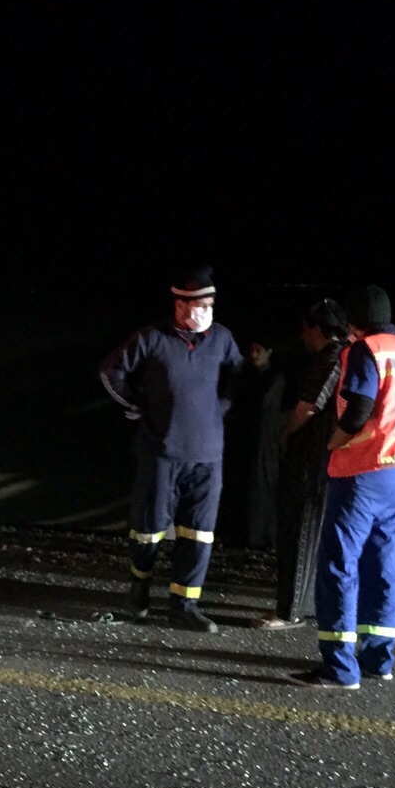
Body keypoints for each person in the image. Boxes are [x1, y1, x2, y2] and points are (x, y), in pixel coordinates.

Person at [290, 285, 395, 689]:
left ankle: (338, 667)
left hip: (364, 468)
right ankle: (378, 660)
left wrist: (334, 442)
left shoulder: (365, 350)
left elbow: (359, 409)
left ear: (354, 322)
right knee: (383, 562)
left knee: (338, 563)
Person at [99, 265, 244, 631]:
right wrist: (137, 407)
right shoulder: (151, 338)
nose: (205, 310)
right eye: (199, 303)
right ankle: (139, 593)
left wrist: (222, 406)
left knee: (199, 533)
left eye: (210, 303)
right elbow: (110, 371)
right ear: (180, 303)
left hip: (208, 456)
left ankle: (185, 606)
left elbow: (237, 376)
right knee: (148, 529)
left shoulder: (222, 339)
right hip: (161, 452)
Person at [255, 298, 347, 630]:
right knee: (318, 534)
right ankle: (304, 604)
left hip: (312, 457)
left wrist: (285, 434)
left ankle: (289, 610)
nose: (302, 337)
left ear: (318, 330)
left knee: (301, 531)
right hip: (332, 459)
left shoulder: (331, 358)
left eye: (306, 329)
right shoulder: (351, 354)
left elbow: (308, 406)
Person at [221, 336, 288, 549]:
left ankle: (260, 537)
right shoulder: (244, 375)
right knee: (241, 482)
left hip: (264, 440)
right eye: (251, 349)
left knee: (261, 486)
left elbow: (261, 405)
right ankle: (239, 534)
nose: (253, 354)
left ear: (269, 351)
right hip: (244, 438)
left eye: (258, 349)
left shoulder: (275, 377)